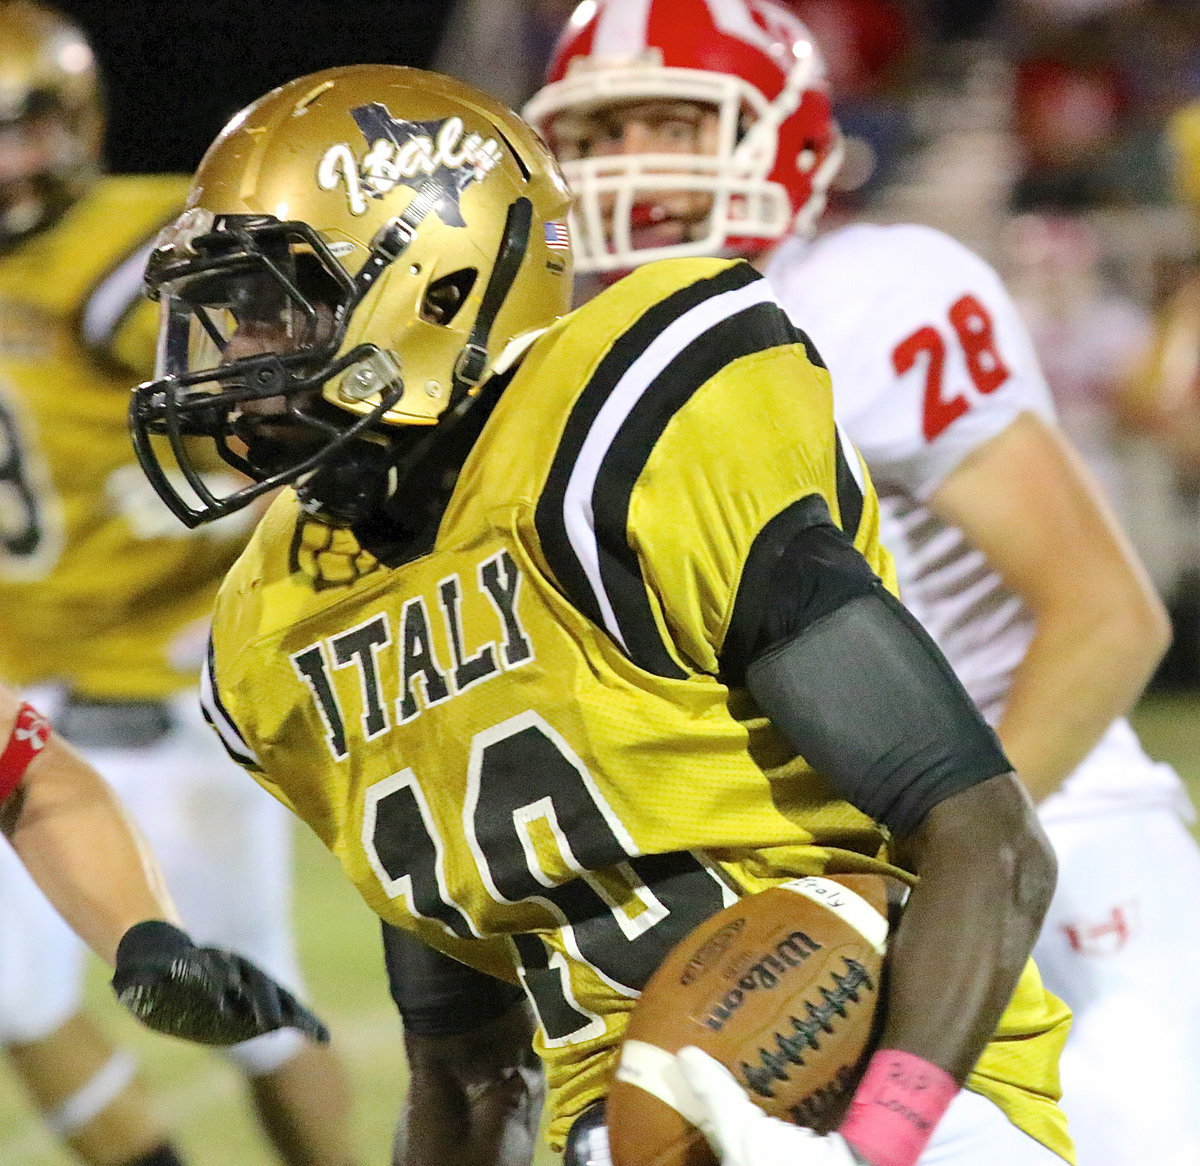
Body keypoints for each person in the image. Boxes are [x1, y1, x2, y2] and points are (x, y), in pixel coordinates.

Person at [129, 62, 1072, 1166]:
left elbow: (990, 841)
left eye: (273, 309)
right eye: (224, 318)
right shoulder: (281, 626)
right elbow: (467, 1072)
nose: (233, 359)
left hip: (895, 1081)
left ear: (436, 281)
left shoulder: (615, 453)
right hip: (620, 1136)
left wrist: (879, 1141)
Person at [522, 1, 1200, 1163]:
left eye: (673, 124)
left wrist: (949, 866)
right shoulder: (558, 374)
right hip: (815, 891)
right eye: (596, 132)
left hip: (1053, 839)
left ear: (782, 136)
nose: (630, 164)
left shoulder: (867, 295)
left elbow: (1105, 616)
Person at [0, 5, 354, 1165]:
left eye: (20, 130)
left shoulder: (141, 255)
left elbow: (301, 412)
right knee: (16, 998)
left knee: (244, 997)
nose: (4, 165)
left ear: (76, 123)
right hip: (21, 677)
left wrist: (259, 513)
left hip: (164, 679)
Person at [0, 685, 330, 1048]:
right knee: (24, 1006)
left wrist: (148, 943)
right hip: (62, 696)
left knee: (269, 1042)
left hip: (185, 717)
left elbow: (30, 775)